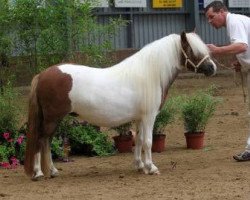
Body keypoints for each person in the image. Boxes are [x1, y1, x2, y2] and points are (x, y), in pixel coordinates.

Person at [205, 1, 250, 161]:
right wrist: (242, 62)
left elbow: (242, 46)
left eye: (211, 17)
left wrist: (218, 50)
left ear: (222, 12)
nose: (210, 21)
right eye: (208, 19)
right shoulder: (236, 21)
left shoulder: (234, 22)